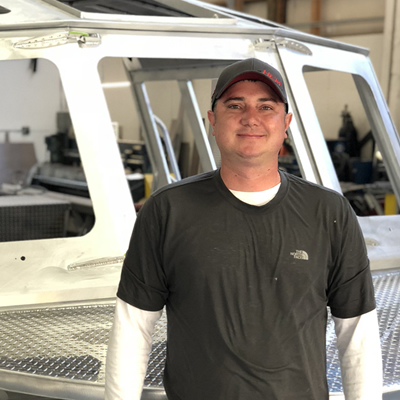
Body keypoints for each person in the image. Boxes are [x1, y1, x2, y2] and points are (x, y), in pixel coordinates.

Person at [105, 58, 382, 400]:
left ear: (286, 123)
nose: (251, 118)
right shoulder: (168, 210)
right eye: (235, 105)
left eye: (266, 107)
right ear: (212, 121)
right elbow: (133, 327)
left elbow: (358, 333)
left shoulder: (329, 212)